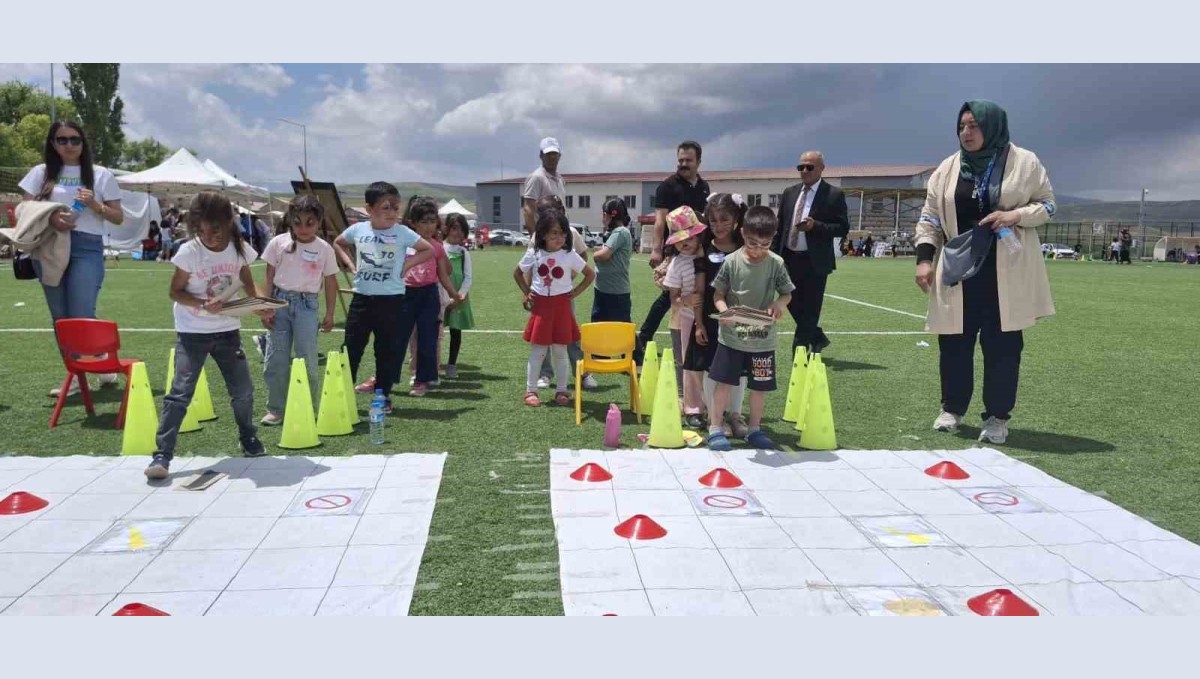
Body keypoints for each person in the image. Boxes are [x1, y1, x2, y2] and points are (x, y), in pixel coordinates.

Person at [914, 100, 1056, 445]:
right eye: (962, 126)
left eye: (974, 125)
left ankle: (997, 417)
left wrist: (1014, 216)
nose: (967, 132)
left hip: (1006, 269)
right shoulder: (947, 169)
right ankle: (952, 409)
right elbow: (930, 216)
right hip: (960, 269)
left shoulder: (1025, 162)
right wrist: (924, 258)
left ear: (992, 126)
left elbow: (1048, 205)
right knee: (953, 344)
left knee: (1003, 346)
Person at [145, 192, 273, 479]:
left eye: (214, 229)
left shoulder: (240, 249)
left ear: (229, 222)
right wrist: (203, 304)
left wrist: (262, 307)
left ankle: (248, 436)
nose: (209, 236)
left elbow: (249, 285)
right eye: (201, 230)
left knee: (242, 391)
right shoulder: (189, 252)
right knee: (180, 393)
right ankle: (162, 455)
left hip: (228, 331)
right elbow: (174, 292)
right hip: (192, 332)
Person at [18, 121, 124, 397]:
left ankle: (93, 364)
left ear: (83, 142)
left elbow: (118, 216)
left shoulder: (101, 175)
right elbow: (23, 209)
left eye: (74, 140)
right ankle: (78, 372)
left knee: (80, 311)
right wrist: (51, 216)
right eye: (61, 140)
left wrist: (93, 205)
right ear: (53, 143)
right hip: (48, 246)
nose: (68, 145)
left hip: (86, 246)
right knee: (60, 317)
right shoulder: (40, 173)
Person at [333, 182, 434, 414]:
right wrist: (350, 264)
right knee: (351, 348)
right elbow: (339, 243)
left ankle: (383, 395)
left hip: (391, 302)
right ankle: (342, 393)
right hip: (362, 300)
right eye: (386, 207)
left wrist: (407, 265)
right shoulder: (358, 230)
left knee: (387, 350)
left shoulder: (402, 232)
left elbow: (427, 250)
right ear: (369, 209)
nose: (392, 213)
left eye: (396, 208)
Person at [707, 206, 794, 452]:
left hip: (762, 339)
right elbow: (718, 294)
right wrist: (725, 311)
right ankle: (715, 427)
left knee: (760, 386)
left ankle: (754, 429)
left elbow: (787, 293)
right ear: (742, 233)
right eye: (752, 243)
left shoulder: (776, 263)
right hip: (732, 338)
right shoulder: (732, 261)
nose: (758, 250)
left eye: (764, 245)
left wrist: (778, 303)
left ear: (773, 239)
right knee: (723, 383)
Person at [258, 194, 340, 426]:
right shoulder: (278, 243)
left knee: (308, 359)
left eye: (310, 223)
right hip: (279, 304)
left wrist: (330, 313)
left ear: (319, 222)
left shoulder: (324, 248)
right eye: (298, 222)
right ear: (290, 220)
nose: (303, 228)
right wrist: (266, 307)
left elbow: (331, 281)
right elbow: (269, 275)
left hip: (307, 306)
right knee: (276, 358)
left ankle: (308, 408)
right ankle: (277, 408)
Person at [637, 140, 710, 363]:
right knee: (668, 295)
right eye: (680, 160)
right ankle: (644, 337)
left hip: (699, 249)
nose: (683, 164)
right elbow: (660, 221)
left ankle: (698, 332)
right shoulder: (667, 186)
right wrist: (657, 251)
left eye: (688, 160)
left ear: (699, 161)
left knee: (699, 290)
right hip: (676, 250)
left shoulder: (704, 187)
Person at [770, 150, 850, 354]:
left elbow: (842, 228)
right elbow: (781, 227)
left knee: (811, 309)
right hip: (788, 257)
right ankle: (817, 337)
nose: (804, 171)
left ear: (822, 168)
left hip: (815, 261)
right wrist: (772, 254)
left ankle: (800, 351)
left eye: (809, 167)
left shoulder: (833, 194)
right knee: (791, 301)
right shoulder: (790, 193)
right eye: (801, 167)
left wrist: (816, 226)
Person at [516, 211, 595, 407]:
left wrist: (574, 292)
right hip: (541, 308)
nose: (560, 238)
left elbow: (590, 274)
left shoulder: (570, 254)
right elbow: (517, 273)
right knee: (538, 351)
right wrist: (527, 292)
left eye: (562, 233)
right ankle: (531, 390)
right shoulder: (534, 253)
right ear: (542, 235)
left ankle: (562, 390)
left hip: (562, 307)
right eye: (554, 234)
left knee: (560, 351)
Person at [688, 193, 748, 437]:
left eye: (725, 219)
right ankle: (716, 417)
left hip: (740, 319)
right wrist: (699, 323)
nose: (719, 225)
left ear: (736, 219)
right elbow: (700, 290)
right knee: (711, 368)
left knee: (740, 370)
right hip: (712, 320)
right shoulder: (705, 248)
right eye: (713, 221)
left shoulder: (746, 247)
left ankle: (735, 414)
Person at [397, 197, 463, 396]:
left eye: (432, 221)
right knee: (400, 338)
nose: (428, 226)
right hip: (405, 295)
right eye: (423, 222)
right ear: (412, 223)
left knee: (428, 338)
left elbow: (443, 274)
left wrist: (454, 295)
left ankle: (423, 380)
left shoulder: (437, 247)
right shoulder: (405, 244)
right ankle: (385, 377)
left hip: (429, 296)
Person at [662, 206, 708, 427]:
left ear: (698, 235)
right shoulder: (677, 263)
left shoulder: (709, 254)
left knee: (709, 363)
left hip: (711, 315)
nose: (685, 242)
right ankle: (691, 404)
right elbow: (674, 299)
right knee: (688, 363)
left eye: (690, 237)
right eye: (680, 240)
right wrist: (686, 301)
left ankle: (711, 404)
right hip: (687, 318)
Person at [442, 214, 475, 378]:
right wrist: (445, 298)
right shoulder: (439, 249)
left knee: (456, 332)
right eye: (454, 228)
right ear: (446, 229)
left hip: (458, 299)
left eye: (461, 229)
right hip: (440, 297)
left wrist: (459, 296)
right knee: (435, 331)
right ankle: (431, 364)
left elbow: (468, 277)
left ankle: (451, 365)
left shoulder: (464, 253)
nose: (457, 233)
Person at [591, 198, 633, 322]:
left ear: (606, 214)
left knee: (619, 331)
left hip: (615, 294)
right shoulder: (615, 233)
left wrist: (595, 255)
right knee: (602, 329)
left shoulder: (620, 232)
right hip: (604, 290)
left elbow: (603, 255)